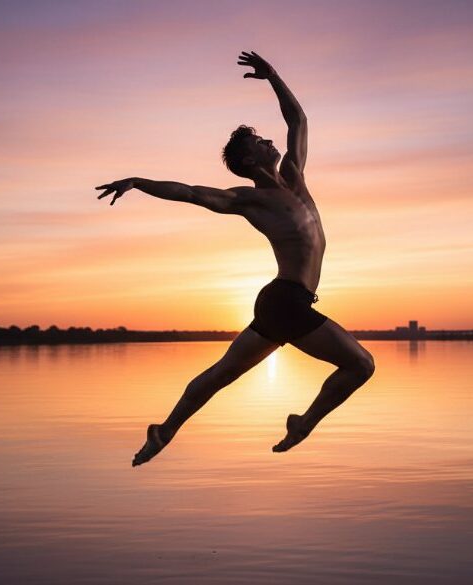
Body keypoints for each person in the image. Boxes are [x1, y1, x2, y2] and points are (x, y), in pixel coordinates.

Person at [96, 51, 375, 467]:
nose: (267, 141)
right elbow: (191, 192)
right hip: (286, 300)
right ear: (249, 161)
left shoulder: (296, 175)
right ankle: (303, 423)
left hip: (284, 302)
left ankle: (164, 430)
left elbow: (298, 119)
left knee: (222, 374)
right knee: (361, 364)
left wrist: (273, 76)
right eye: (258, 142)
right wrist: (138, 182)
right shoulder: (248, 200)